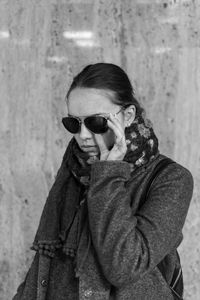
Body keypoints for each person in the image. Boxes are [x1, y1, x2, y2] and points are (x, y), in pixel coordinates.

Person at [13, 63, 193, 300]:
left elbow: (125, 266)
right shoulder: (75, 168)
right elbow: (46, 261)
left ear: (127, 116)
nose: (83, 136)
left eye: (95, 122)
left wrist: (108, 173)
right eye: (74, 123)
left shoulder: (171, 179)